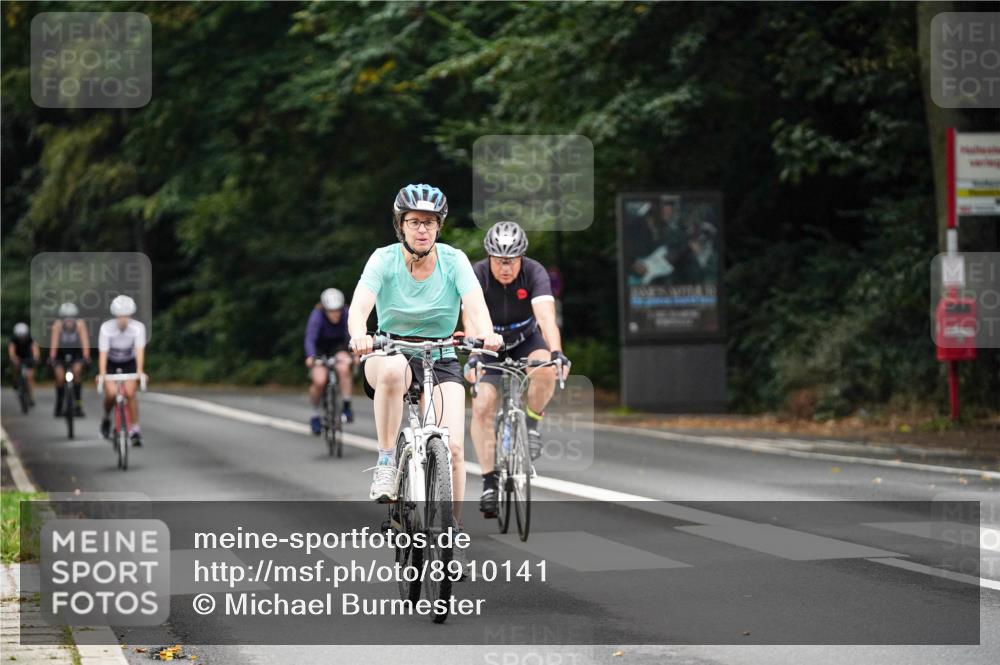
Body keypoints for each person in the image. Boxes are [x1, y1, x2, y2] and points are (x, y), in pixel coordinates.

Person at [347, 184, 502, 515]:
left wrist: (487, 334)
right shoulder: (383, 259)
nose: (422, 229)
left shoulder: (454, 260)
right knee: (393, 369)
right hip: (389, 350)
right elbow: (359, 308)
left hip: (440, 356)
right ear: (400, 225)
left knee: (454, 448)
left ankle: (452, 529)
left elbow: (476, 306)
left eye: (429, 222)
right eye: (414, 221)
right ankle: (386, 461)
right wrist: (360, 335)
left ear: (438, 226)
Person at [462, 221, 570, 519]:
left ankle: (532, 424)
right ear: (489, 257)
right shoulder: (477, 273)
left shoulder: (534, 272)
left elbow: (546, 318)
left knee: (545, 368)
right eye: (499, 261)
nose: (506, 267)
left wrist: (557, 353)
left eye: (512, 261)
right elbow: (470, 319)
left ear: (522, 257)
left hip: (525, 338)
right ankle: (489, 481)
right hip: (489, 343)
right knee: (482, 405)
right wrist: (474, 355)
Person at [97, 295, 147, 446]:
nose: (123, 320)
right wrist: (102, 374)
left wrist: (140, 371)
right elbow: (103, 353)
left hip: (129, 363)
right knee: (111, 394)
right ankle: (106, 418)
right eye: (120, 316)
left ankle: (135, 429)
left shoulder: (138, 328)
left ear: (130, 315)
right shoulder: (106, 328)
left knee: (130, 393)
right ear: (115, 316)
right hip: (111, 363)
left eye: (126, 316)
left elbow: (139, 351)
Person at [305, 287, 354, 432]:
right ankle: (315, 414)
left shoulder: (346, 312)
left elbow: (352, 333)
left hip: (338, 347)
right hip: (320, 349)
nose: (335, 314)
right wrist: (310, 356)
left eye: (338, 310)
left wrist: (355, 354)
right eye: (331, 311)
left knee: (343, 368)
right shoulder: (317, 315)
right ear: (324, 309)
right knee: (319, 380)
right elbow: (310, 338)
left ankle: (346, 406)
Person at [49, 302, 91, 417]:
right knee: (60, 377)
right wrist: (52, 357)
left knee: (77, 373)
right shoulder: (57, 325)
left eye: (71, 318)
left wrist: (86, 356)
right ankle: (59, 405)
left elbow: (85, 342)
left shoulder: (80, 324)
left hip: (76, 354)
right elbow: (54, 343)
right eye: (66, 318)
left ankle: (78, 405)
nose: (69, 321)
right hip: (61, 355)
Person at [8, 322, 39, 405]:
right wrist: (13, 358)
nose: (22, 338)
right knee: (15, 366)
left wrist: (36, 357)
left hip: (28, 358)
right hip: (18, 357)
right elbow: (11, 350)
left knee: (30, 376)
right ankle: (15, 380)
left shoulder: (30, 338)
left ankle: (31, 396)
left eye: (23, 336)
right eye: (20, 336)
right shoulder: (13, 339)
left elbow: (35, 348)